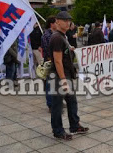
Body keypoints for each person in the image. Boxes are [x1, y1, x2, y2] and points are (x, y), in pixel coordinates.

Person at [49, 11, 88, 140]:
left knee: (72, 101)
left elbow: (63, 54)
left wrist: (69, 49)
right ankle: (58, 131)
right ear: (57, 21)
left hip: (66, 74)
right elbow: (57, 61)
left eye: (69, 20)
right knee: (57, 105)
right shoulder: (56, 38)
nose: (68, 22)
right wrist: (64, 80)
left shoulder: (63, 36)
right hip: (59, 76)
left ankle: (75, 125)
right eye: (64, 20)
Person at [41, 16, 57, 111]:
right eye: (56, 22)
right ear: (52, 24)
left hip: (55, 60)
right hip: (50, 62)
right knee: (50, 84)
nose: (57, 24)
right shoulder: (46, 35)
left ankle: (57, 102)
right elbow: (47, 50)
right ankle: (51, 104)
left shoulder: (54, 33)